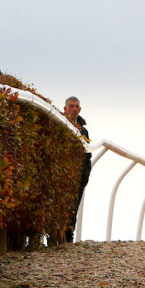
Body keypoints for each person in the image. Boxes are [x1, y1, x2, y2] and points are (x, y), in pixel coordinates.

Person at [63, 96, 92, 243]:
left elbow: (88, 155)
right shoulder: (60, 126)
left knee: (73, 208)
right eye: (71, 106)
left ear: (79, 109)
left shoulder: (84, 132)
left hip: (78, 177)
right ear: (65, 109)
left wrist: (85, 176)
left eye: (76, 107)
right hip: (62, 175)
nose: (74, 109)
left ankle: (69, 237)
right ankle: (58, 237)